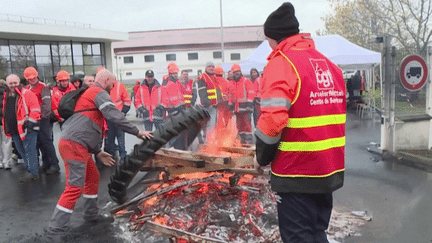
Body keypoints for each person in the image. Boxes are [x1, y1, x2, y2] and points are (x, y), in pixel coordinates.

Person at [255, 3, 346, 242]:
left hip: (296, 171)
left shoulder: (281, 64)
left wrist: (261, 157)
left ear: (275, 37)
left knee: (298, 237)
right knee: (317, 233)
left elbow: (273, 121)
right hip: (328, 169)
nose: (268, 45)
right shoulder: (329, 66)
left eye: (268, 39)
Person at [45, 69, 153, 241]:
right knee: (74, 187)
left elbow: (87, 125)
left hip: (78, 144)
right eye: (113, 82)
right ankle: (55, 231)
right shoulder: (98, 92)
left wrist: (98, 151)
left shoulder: (90, 94)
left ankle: (91, 214)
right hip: (75, 145)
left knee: (93, 176)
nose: (114, 85)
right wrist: (137, 132)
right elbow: (114, 116)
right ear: (106, 79)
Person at [3, 74, 41, 181]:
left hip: (26, 128)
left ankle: (33, 172)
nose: (13, 85)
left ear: (19, 82)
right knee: (21, 150)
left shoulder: (26, 94)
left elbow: (35, 109)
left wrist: (30, 123)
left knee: (30, 150)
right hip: (14, 129)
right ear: (7, 84)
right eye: (10, 83)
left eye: (15, 82)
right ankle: (30, 169)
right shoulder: (7, 95)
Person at [24, 67, 60, 174]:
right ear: (27, 79)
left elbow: (47, 105)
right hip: (33, 119)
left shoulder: (43, 87)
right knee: (39, 142)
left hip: (43, 118)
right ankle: (46, 163)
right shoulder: (27, 89)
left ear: (37, 76)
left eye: (34, 77)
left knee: (46, 140)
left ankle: (54, 164)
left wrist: (41, 118)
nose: (32, 80)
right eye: (30, 78)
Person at [192, 61, 223, 144]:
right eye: (209, 66)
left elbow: (218, 91)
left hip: (215, 106)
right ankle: (209, 143)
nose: (211, 68)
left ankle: (209, 141)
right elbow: (202, 92)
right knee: (210, 125)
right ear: (206, 68)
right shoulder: (203, 77)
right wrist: (208, 104)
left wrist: (221, 101)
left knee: (213, 125)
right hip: (208, 106)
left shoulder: (214, 78)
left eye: (213, 67)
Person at [104, 79, 132, 164]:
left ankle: (122, 155)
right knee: (111, 137)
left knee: (119, 136)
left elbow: (127, 100)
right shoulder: (102, 87)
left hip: (117, 117)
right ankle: (113, 156)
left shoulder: (119, 86)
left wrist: (123, 113)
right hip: (109, 117)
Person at [228, 64, 255, 144]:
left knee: (247, 125)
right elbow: (230, 95)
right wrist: (230, 105)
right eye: (235, 72)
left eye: (238, 71)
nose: (237, 73)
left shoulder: (246, 81)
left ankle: (249, 142)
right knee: (239, 126)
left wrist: (249, 105)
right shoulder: (231, 83)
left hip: (246, 107)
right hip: (237, 109)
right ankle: (242, 142)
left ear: (240, 72)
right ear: (232, 73)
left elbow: (251, 93)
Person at [0, 79, 12, 170]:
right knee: (7, 142)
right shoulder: (8, 93)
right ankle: (6, 162)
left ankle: (0, 162)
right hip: (5, 121)